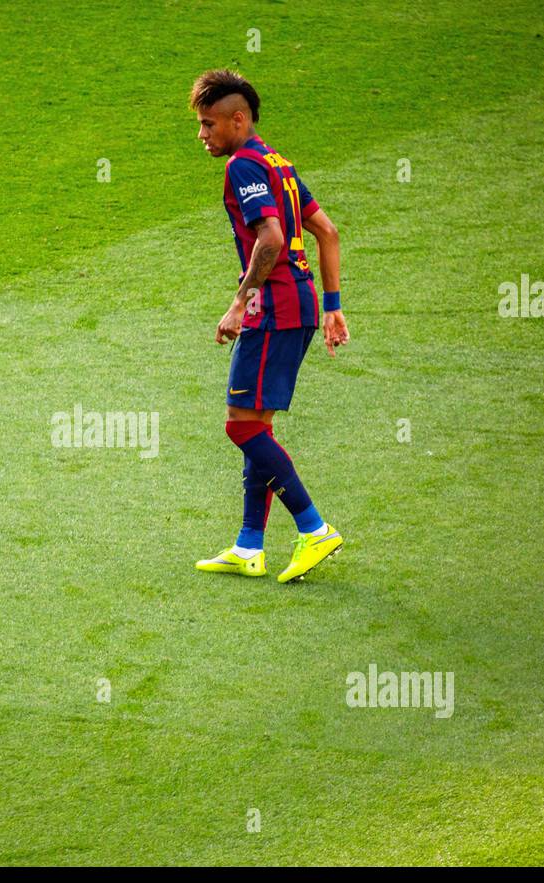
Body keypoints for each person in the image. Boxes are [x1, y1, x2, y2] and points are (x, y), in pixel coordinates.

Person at [190, 70, 349, 583]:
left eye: (209, 124)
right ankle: (249, 546)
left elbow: (272, 239)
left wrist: (240, 303)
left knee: (240, 426)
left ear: (239, 120)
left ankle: (314, 528)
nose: (203, 135)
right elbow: (326, 231)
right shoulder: (278, 163)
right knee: (256, 425)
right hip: (298, 303)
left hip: (274, 307)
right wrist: (332, 305)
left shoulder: (242, 165)